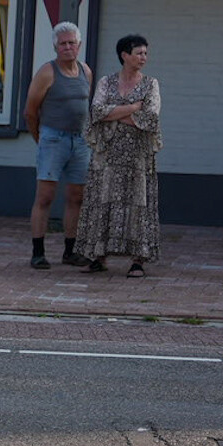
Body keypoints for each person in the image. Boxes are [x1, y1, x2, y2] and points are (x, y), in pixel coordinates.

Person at [78, 34, 161, 278]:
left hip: (137, 156)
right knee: (101, 200)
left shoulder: (151, 84)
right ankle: (98, 256)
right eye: (139, 53)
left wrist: (113, 114)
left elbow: (151, 117)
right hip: (107, 154)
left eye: (145, 53)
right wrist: (133, 108)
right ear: (125, 55)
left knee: (138, 204)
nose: (144, 58)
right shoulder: (106, 82)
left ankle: (138, 260)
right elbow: (96, 111)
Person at [24, 22, 94, 270]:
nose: (67, 47)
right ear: (55, 47)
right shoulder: (47, 72)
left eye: (71, 43)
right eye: (62, 44)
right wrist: (41, 138)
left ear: (79, 45)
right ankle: (38, 252)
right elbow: (30, 111)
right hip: (53, 138)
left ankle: (70, 250)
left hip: (80, 140)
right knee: (45, 196)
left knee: (77, 196)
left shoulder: (86, 71)